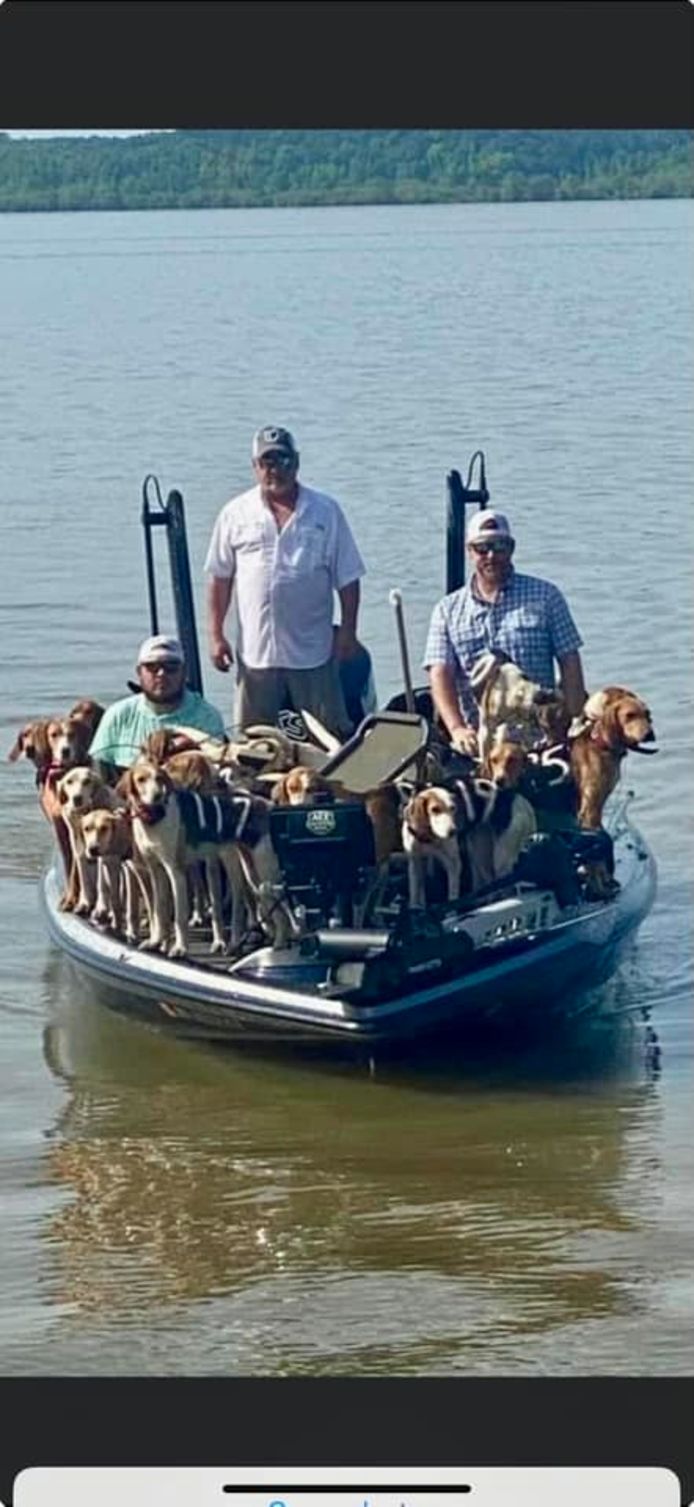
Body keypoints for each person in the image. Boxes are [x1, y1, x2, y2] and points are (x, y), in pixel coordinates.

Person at [204, 425, 365, 738]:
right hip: (256, 655)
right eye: (267, 462)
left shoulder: (326, 511)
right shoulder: (235, 513)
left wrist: (348, 632)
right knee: (254, 744)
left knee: (327, 740)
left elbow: (348, 578)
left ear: (297, 461)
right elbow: (219, 578)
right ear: (255, 467)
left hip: (313, 653)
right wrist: (215, 635)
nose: (276, 469)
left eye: (284, 460)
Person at [423, 508, 586, 755]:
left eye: (499, 547)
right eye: (482, 548)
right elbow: (439, 673)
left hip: (540, 738)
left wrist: (574, 722)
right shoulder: (447, 610)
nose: (491, 555)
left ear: (511, 549)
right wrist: (457, 729)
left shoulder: (546, 596)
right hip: (479, 742)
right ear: (469, 552)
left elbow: (569, 660)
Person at [88, 634, 227, 777]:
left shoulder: (207, 715)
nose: (161, 674)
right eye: (152, 667)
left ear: (184, 672)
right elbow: (98, 771)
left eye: (171, 667)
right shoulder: (117, 714)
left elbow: (213, 772)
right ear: (139, 673)